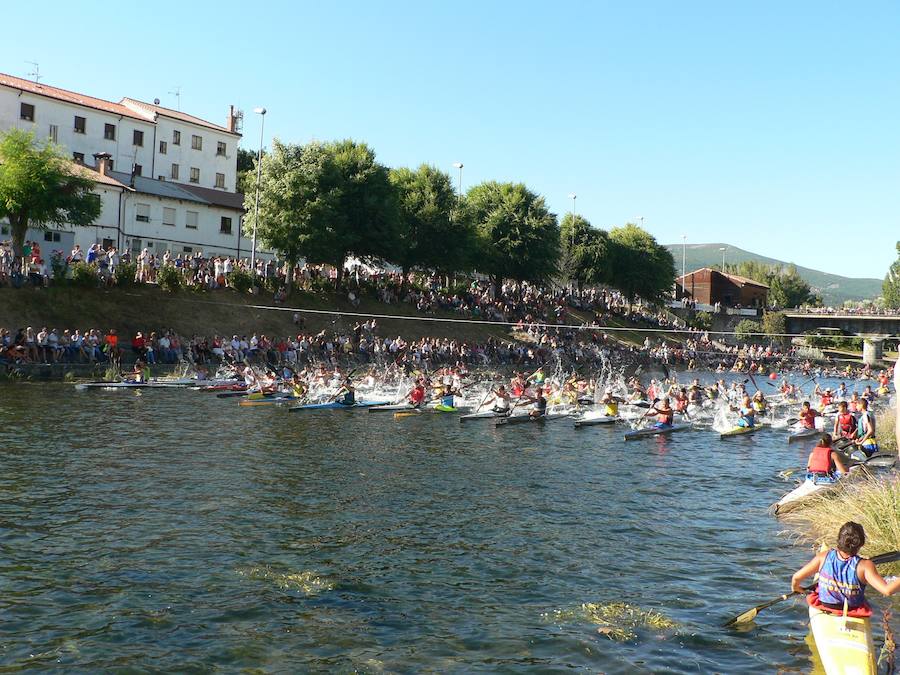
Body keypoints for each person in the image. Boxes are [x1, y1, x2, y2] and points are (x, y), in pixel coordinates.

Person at [791, 522, 900, 613]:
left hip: (825, 605)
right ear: (861, 544)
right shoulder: (865, 566)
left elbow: (796, 578)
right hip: (853, 609)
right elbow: (887, 591)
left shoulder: (823, 557)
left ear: (839, 540)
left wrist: (797, 589)